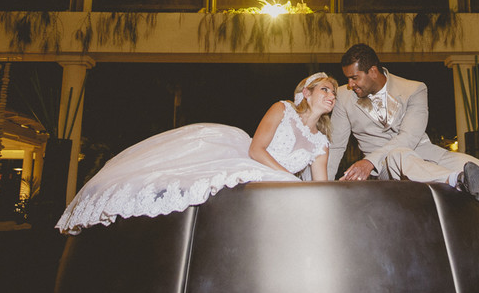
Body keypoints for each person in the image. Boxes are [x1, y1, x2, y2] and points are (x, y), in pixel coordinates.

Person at [328, 43, 479, 280]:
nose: (350, 84)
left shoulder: (414, 89)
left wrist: (367, 162)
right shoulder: (344, 97)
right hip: (387, 166)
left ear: (373, 71)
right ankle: (457, 179)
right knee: (399, 155)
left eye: (354, 77)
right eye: (347, 79)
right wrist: (323, 185)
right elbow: (336, 146)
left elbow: (409, 137)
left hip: (426, 153)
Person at [56, 72, 337, 234]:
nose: (332, 95)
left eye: (334, 93)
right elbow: (256, 149)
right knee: (179, 179)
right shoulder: (282, 109)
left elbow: (321, 186)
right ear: (307, 93)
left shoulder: (321, 143)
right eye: (325, 89)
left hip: (277, 192)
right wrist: (289, 178)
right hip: (252, 166)